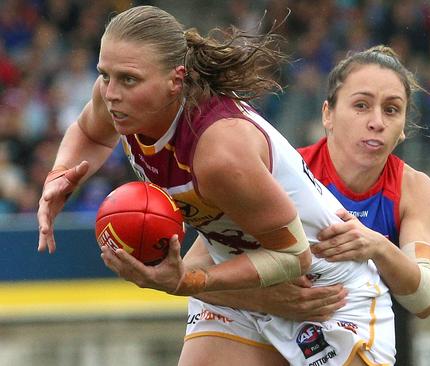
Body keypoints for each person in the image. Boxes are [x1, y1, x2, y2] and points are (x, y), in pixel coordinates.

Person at [35, 6, 404, 366]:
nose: (111, 92)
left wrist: (190, 281)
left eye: (128, 79)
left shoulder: (219, 151)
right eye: (104, 75)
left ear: (175, 80)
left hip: (325, 292)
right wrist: (60, 176)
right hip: (240, 283)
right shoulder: (116, 100)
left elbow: (295, 256)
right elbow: (90, 134)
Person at [183, 45, 430, 365]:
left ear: (403, 127)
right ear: (327, 115)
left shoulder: (413, 187)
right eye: (361, 105)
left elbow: (426, 299)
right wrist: (269, 300)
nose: (377, 121)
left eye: (391, 110)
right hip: (267, 320)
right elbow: (194, 274)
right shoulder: (283, 172)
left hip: (363, 328)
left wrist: (377, 246)